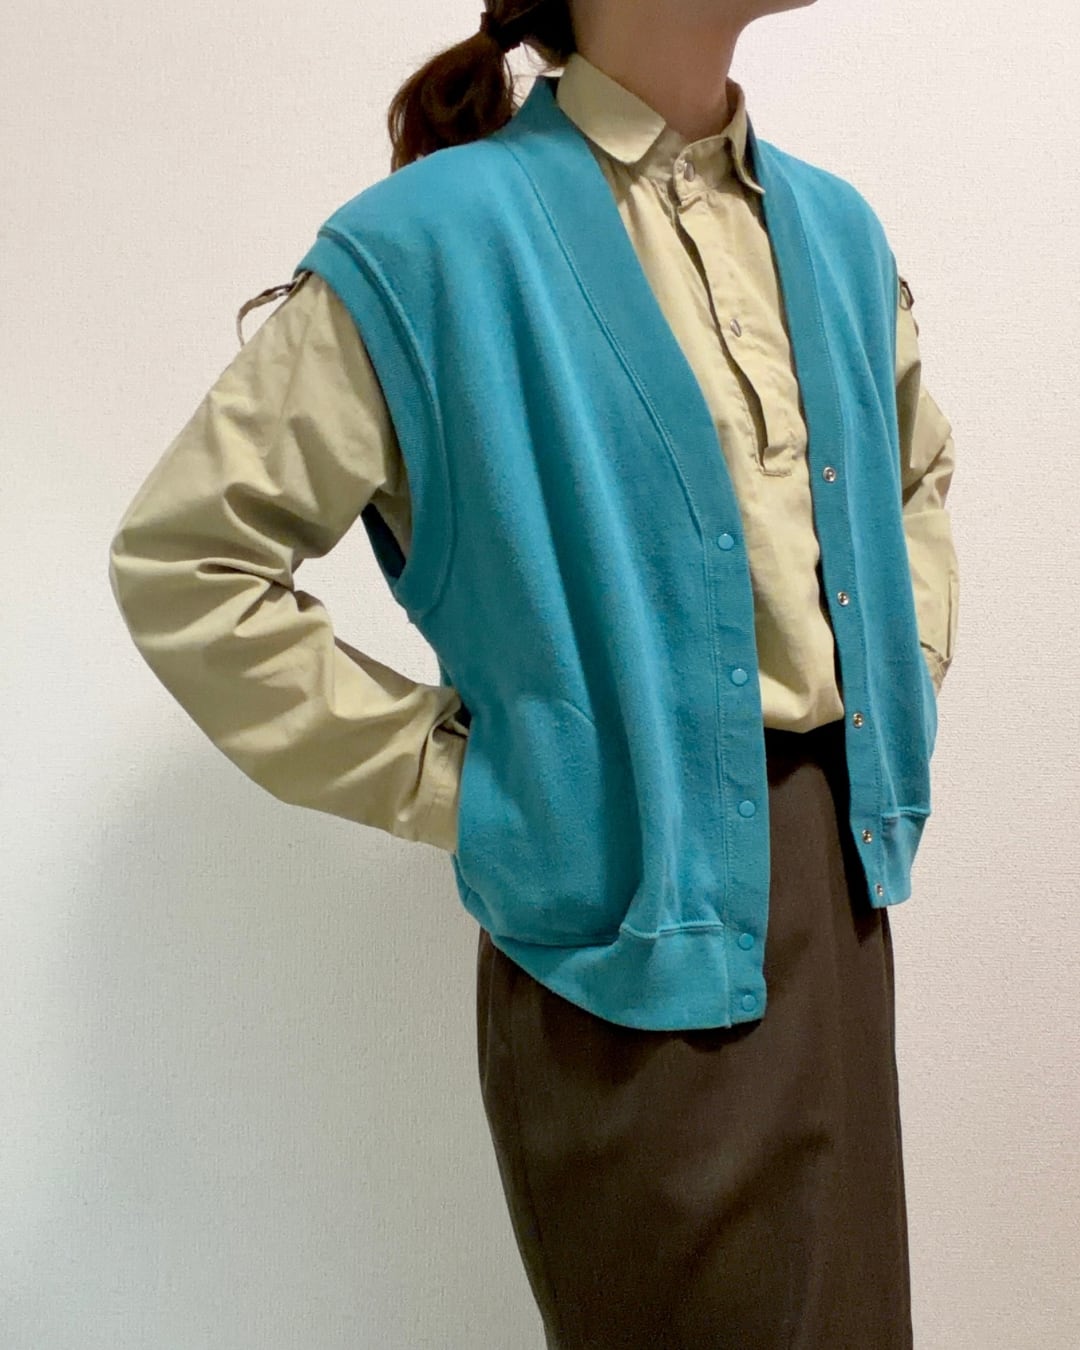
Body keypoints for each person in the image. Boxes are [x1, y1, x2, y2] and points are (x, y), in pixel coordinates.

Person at [108, 1, 959, 1345]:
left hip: (841, 903)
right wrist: (483, 790)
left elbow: (912, 474)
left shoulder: (837, 232)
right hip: (621, 940)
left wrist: (898, 682)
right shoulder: (432, 244)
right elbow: (187, 565)